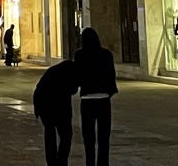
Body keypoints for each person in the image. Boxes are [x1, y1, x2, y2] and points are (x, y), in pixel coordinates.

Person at [74, 27, 117, 166]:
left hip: (87, 100)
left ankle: (90, 163)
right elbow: (111, 76)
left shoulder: (79, 55)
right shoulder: (106, 54)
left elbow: (77, 77)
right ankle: (103, 163)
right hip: (103, 99)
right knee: (104, 136)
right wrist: (108, 92)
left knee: (88, 137)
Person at [33, 55, 79, 166]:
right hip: (56, 105)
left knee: (50, 133)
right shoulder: (72, 71)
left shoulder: (60, 68)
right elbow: (72, 89)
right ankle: (61, 161)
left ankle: (52, 162)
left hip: (43, 103)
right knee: (66, 135)